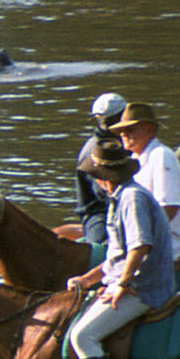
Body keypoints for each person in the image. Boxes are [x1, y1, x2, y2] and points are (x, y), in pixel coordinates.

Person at [66, 138, 176, 359]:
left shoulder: (132, 199)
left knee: (83, 335)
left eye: (94, 176)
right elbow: (116, 255)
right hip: (127, 280)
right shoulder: (120, 198)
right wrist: (87, 279)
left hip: (145, 287)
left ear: (104, 179)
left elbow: (139, 247)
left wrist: (122, 284)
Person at [110, 102, 180, 250]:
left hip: (165, 249)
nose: (123, 134)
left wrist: (139, 243)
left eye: (130, 129)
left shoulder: (161, 156)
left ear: (150, 129)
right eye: (121, 130)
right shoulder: (134, 160)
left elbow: (169, 208)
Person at [74, 92, 128, 250]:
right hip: (98, 213)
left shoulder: (118, 143)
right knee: (102, 250)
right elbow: (103, 193)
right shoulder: (96, 150)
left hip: (118, 206)